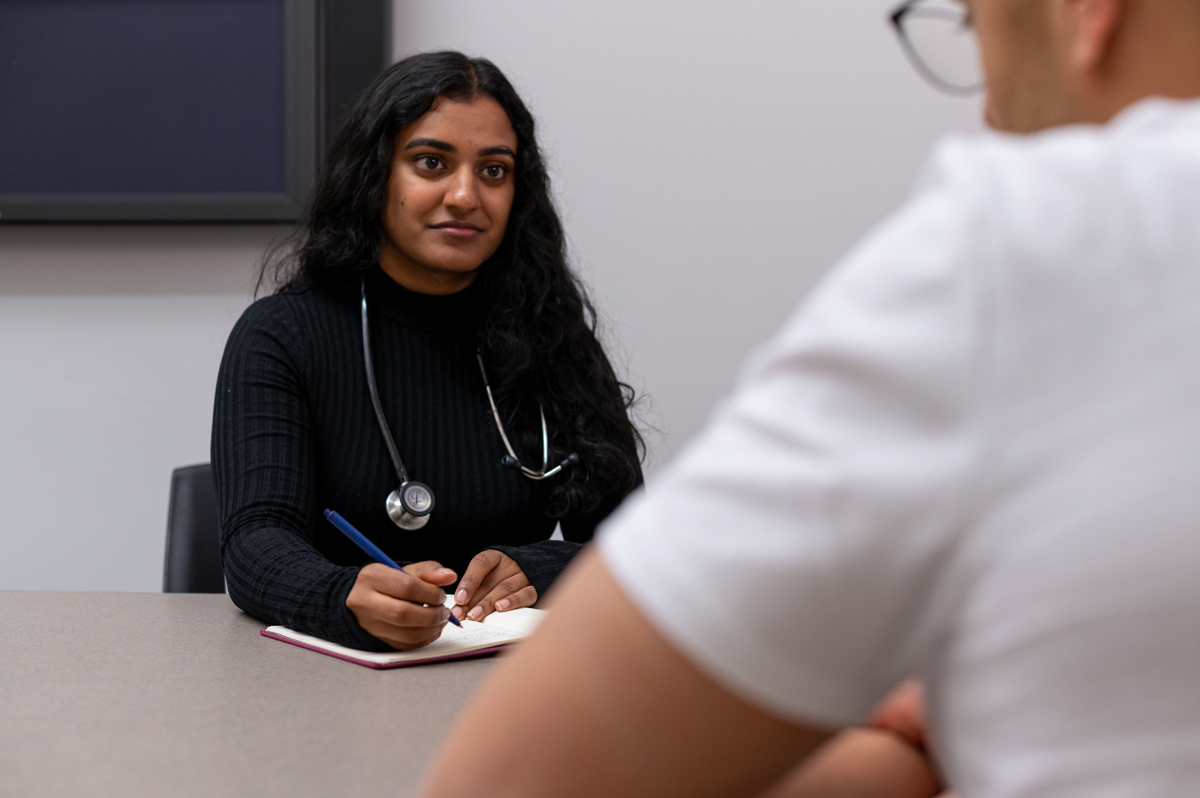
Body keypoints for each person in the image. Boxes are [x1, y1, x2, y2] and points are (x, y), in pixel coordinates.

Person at [422, 0, 1200, 795]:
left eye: (975, 28)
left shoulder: (1043, 238)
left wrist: (909, 755)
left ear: (1088, 13)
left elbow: (508, 782)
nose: (990, 112)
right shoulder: (293, 336)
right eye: (430, 164)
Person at [211, 51, 642, 652]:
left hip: (503, 684)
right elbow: (256, 542)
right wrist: (343, 596)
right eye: (431, 163)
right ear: (376, 174)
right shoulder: (282, 336)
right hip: (322, 686)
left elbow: (636, 549)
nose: (466, 195)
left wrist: (538, 571)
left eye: (494, 171)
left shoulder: (554, 339)